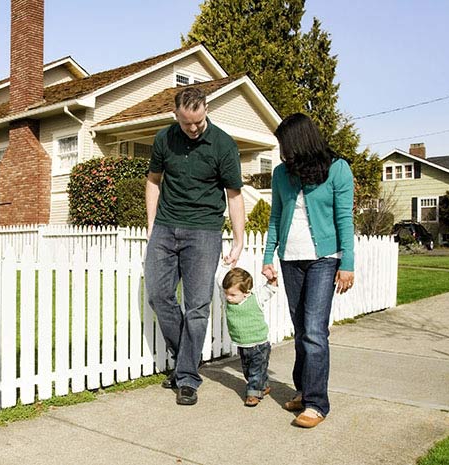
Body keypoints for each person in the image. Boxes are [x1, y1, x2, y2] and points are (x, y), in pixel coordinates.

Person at [145, 86, 245, 406]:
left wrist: (239, 238)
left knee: (197, 306)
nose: (193, 128)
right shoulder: (164, 139)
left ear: (205, 111)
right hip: (165, 227)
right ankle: (187, 358)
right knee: (159, 296)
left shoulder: (223, 144)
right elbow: (153, 180)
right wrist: (151, 226)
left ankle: (187, 376)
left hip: (204, 232)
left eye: (199, 121)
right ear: (175, 115)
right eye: (187, 122)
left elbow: (234, 194)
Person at [261, 113, 355, 428]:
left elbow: (345, 219)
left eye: (284, 145)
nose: (281, 152)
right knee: (301, 330)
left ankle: (317, 404)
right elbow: (275, 217)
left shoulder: (338, 170)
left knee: (315, 330)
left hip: (324, 259)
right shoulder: (280, 174)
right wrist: (267, 257)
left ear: (299, 142)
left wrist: (348, 264)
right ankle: (303, 391)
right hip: (290, 259)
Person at [215, 265, 276, 407]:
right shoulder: (227, 301)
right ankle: (263, 385)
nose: (228, 297)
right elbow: (219, 281)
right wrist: (225, 265)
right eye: (226, 294)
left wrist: (272, 280)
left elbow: (270, 290)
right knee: (249, 370)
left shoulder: (256, 298)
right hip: (242, 344)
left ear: (246, 293)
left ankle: (253, 394)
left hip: (259, 344)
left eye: (232, 295)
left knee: (255, 371)